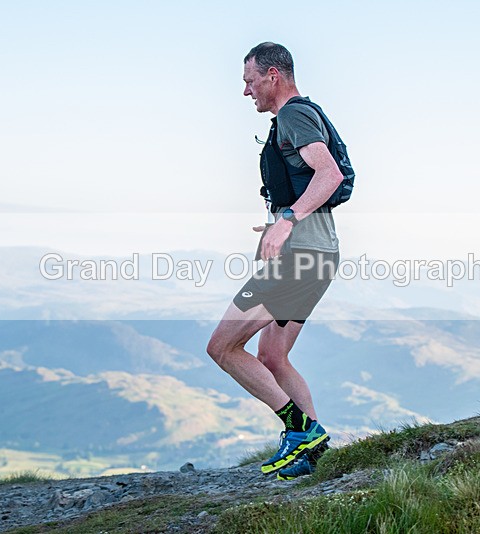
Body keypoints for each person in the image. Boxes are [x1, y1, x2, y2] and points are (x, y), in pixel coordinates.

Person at [206, 42, 344, 480]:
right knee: (273, 356)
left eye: (249, 81)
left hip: (301, 258)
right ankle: (312, 455)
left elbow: (330, 174)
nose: (246, 91)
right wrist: (277, 224)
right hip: (313, 257)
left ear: (272, 76)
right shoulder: (295, 116)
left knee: (222, 346)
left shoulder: (293, 115)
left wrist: (286, 220)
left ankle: (301, 430)